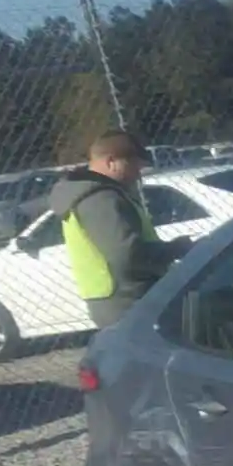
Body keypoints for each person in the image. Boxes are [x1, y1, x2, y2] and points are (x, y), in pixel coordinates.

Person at [48, 129, 195, 329]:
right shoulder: (100, 199)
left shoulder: (94, 194)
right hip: (128, 301)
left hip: (115, 300)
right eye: (134, 166)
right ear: (111, 161)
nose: (138, 174)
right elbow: (127, 254)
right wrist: (174, 249)